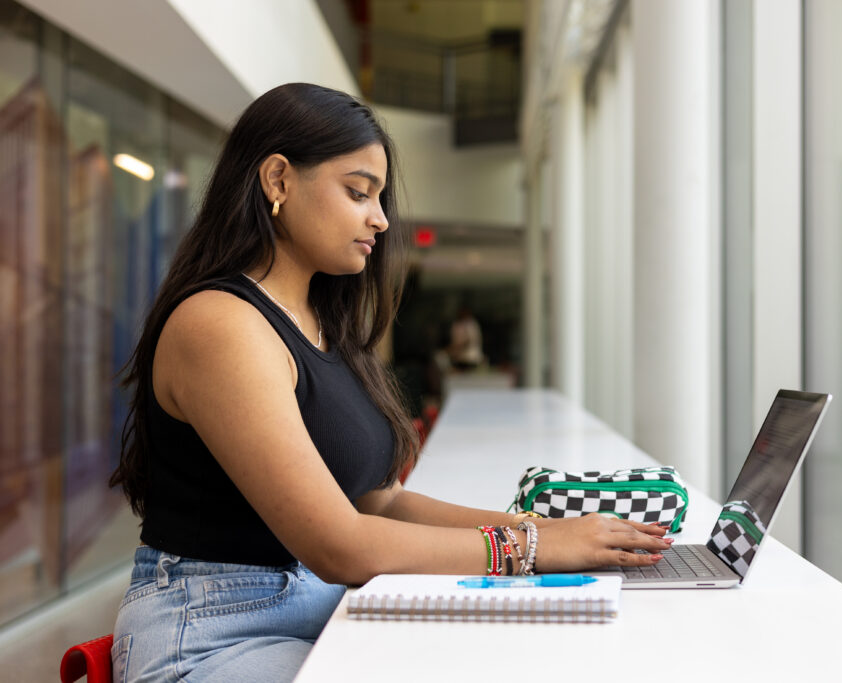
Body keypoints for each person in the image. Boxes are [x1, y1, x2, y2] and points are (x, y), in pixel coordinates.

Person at [108, 83, 670, 682]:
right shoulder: (220, 325)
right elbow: (341, 546)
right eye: (358, 192)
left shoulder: (323, 324)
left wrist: (546, 534)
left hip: (318, 606)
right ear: (277, 180)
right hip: (216, 632)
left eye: (378, 198)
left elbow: (382, 502)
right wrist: (534, 550)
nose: (379, 219)